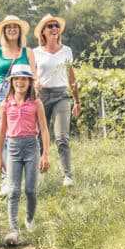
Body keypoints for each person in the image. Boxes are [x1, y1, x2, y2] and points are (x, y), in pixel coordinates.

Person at [0, 15, 38, 195]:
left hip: (24, 98)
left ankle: (26, 175)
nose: (12, 30)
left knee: (24, 137)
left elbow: (34, 76)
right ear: (4, 32)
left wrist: (37, 89)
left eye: (15, 27)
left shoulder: (27, 52)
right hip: (2, 98)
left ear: (19, 31)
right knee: (5, 137)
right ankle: (7, 179)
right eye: (8, 27)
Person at [0, 64, 49, 246]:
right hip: (12, 148)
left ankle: (29, 218)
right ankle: (13, 229)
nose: (20, 82)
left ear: (29, 82)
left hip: (31, 147)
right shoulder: (5, 104)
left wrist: (45, 155)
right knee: (13, 191)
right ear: (12, 81)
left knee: (30, 190)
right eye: (17, 78)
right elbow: (2, 132)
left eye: (24, 79)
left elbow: (43, 129)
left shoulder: (36, 103)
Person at [33, 14, 80, 187]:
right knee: (38, 135)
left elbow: (71, 76)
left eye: (56, 26)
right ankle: (39, 172)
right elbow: (31, 75)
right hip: (42, 96)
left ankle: (67, 176)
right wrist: (34, 82)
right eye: (50, 26)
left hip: (61, 96)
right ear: (43, 32)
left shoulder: (66, 51)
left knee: (62, 137)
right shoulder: (36, 52)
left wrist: (77, 101)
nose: (54, 28)